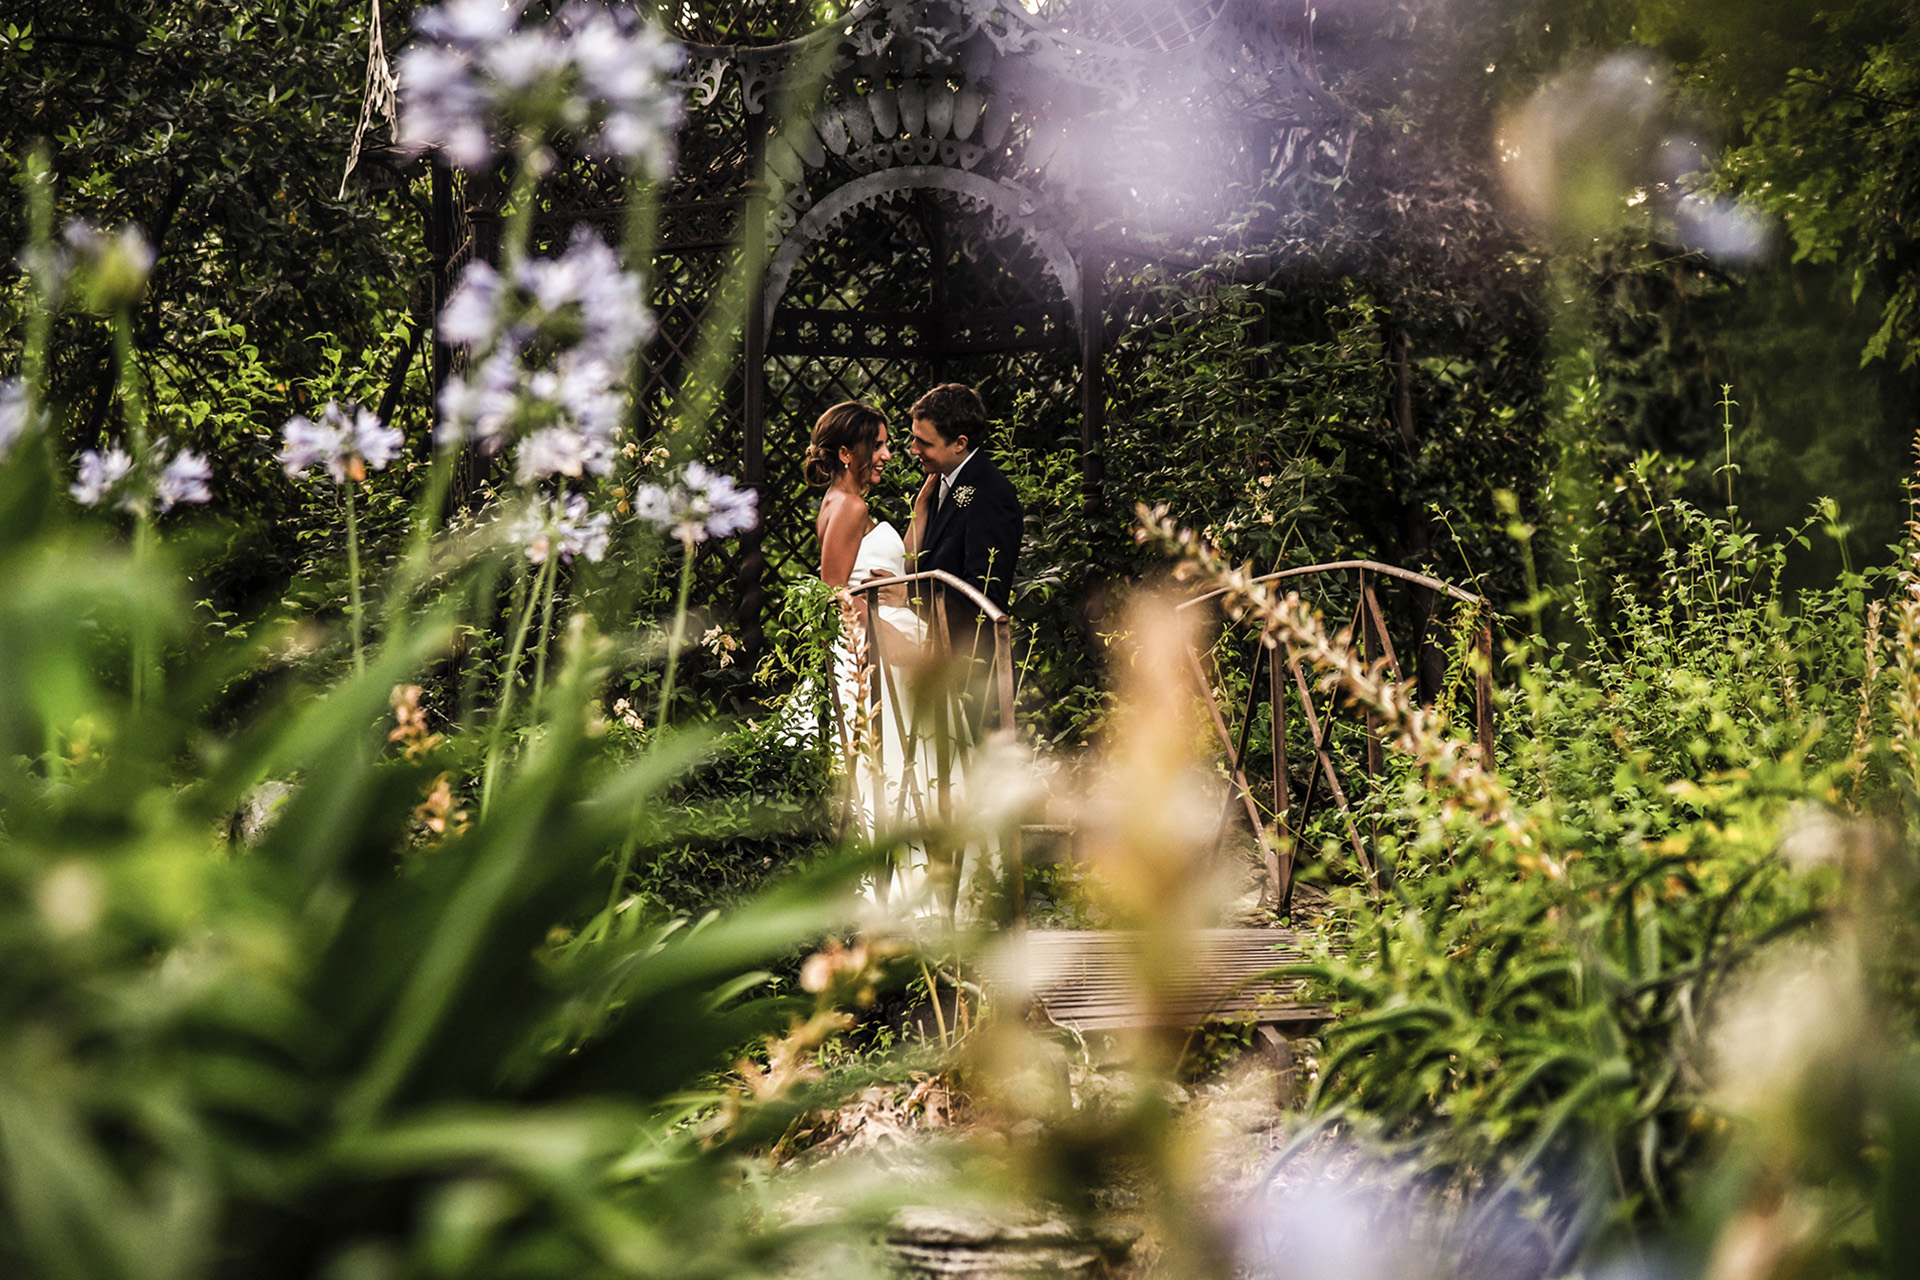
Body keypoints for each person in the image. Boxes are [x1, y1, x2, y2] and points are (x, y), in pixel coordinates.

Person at [805, 400, 933, 901]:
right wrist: (889, 640)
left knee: (898, 777)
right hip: (873, 658)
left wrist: (921, 512)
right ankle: (898, 900)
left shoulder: (845, 502)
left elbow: (869, 573)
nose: (886, 454)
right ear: (844, 452)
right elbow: (835, 590)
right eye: (875, 446)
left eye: (885, 444)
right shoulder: (850, 506)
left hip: (881, 648)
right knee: (892, 777)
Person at [903, 382, 1023, 663]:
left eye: (924, 442)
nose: (913, 449)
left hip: (965, 664)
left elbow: (982, 597)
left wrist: (906, 596)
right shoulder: (937, 482)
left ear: (960, 443)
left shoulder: (991, 494)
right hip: (932, 655)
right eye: (914, 438)